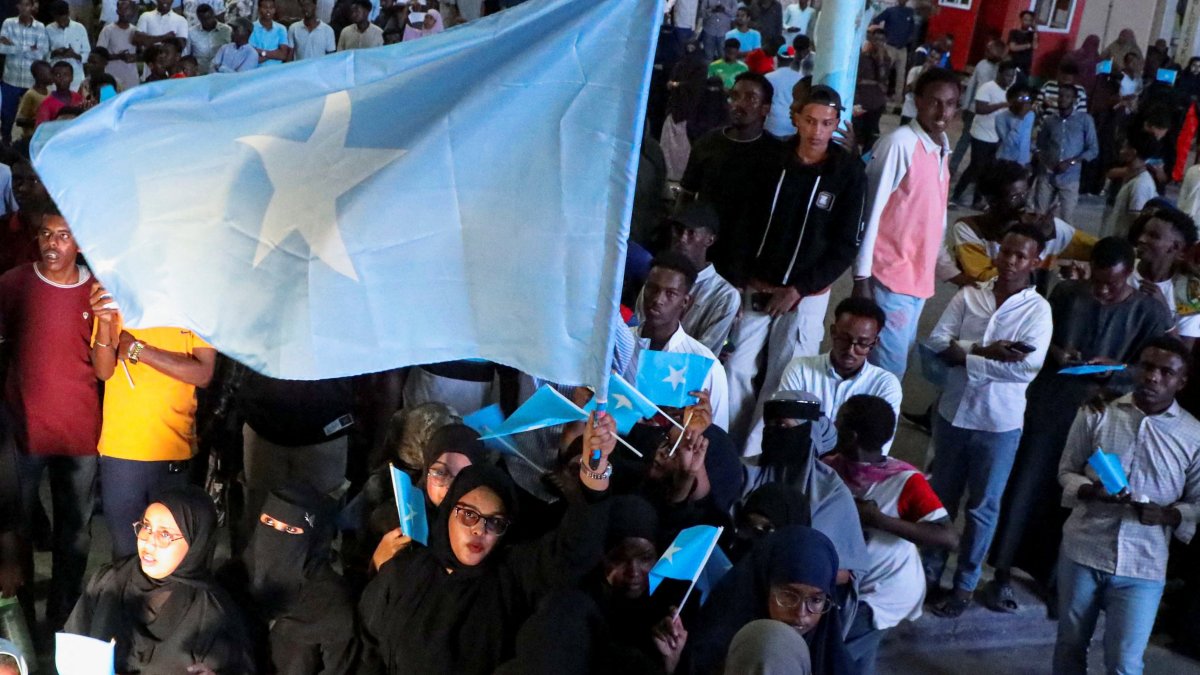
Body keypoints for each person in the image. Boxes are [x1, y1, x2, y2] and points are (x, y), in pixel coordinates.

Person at [985, 237, 1171, 614]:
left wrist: (1117, 370)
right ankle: (1002, 571)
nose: (1102, 291)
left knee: (1078, 496)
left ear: (1128, 275)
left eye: (1112, 285)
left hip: (1104, 413)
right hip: (1053, 403)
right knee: (1027, 486)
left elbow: (1152, 369)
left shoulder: (1149, 311)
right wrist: (1057, 352)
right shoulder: (1069, 294)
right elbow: (1038, 336)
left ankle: (1056, 580)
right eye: (1097, 282)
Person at [358, 416, 617, 674]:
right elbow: (366, 652)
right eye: (468, 515)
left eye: (494, 523)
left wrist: (594, 469)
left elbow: (575, 551)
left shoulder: (512, 577)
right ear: (449, 512)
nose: (479, 529)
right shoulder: (404, 573)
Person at [724, 84, 867, 450]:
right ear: (795, 119)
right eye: (810, 121)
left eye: (826, 123)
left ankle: (752, 458)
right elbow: (741, 222)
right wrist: (741, 279)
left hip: (806, 295)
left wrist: (799, 289)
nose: (817, 131)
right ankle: (724, 446)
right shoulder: (769, 160)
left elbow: (844, 246)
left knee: (784, 378)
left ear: (836, 124)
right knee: (736, 368)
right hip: (758, 286)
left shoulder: (848, 174)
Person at [922, 225, 1052, 618]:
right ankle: (928, 574)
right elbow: (935, 344)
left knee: (982, 508)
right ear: (996, 253)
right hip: (953, 415)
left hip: (999, 424)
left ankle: (964, 584)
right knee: (940, 500)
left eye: (1020, 256)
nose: (1011, 262)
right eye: (1006, 252)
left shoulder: (1038, 311)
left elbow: (1027, 369)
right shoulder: (969, 296)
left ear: (1035, 262)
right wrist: (986, 351)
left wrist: (967, 358)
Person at [1053, 337, 1200, 675]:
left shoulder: (1193, 436)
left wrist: (1168, 515)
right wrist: (1090, 491)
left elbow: (1197, 502)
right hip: (1084, 550)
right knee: (1070, 645)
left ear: (1182, 382)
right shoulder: (1098, 412)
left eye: (1167, 372)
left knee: (1124, 663)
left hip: (1144, 566)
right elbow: (1066, 470)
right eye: (1147, 367)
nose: (1153, 377)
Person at [0, 209, 99, 628]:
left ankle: (63, 623)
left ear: (80, 244)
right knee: (14, 530)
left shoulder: (98, 293)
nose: (52, 244)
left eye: (63, 236)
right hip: (23, 430)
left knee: (73, 536)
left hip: (79, 431)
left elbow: (105, 364)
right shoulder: (13, 284)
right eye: (45, 234)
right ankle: (18, 621)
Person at [825, 395, 957, 675]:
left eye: (838, 423)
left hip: (883, 590)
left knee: (833, 657)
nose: (832, 427)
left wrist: (878, 519)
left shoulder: (903, 480)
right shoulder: (831, 465)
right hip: (849, 584)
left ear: (851, 436)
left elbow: (948, 538)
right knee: (857, 663)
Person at [87, 280, 216, 560]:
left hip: (174, 449)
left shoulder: (197, 302)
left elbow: (203, 374)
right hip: (123, 451)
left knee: (170, 554)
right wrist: (106, 321)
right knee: (126, 554)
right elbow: (104, 370)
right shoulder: (117, 292)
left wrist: (138, 351)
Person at [65, 486, 256, 673]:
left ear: (195, 543)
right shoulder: (108, 581)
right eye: (146, 526)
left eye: (165, 534)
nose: (148, 540)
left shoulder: (213, 613)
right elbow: (73, 646)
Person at [853, 67, 959, 380]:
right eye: (935, 102)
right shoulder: (900, 143)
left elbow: (935, 221)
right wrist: (861, 279)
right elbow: (869, 212)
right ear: (916, 100)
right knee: (888, 371)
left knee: (889, 366)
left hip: (918, 280)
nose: (942, 111)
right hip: (888, 277)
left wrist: (947, 270)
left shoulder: (941, 149)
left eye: (951, 103)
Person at [741, 390, 871, 609]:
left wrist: (790, 570)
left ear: (809, 431)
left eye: (782, 426)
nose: (773, 433)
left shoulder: (831, 493)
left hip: (795, 605)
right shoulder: (748, 471)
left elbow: (846, 572)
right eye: (768, 426)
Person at [222, 485, 358, 674]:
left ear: (312, 538)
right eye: (269, 522)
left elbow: (339, 668)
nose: (276, 535)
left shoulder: (329, 601)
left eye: (291, 529)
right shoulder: (232, 578)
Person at [689, 526, 854, 674]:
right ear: (764, 586)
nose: (801, 614)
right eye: (789, 596)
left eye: (816, 600)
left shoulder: (833, 661)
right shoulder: (714, 643)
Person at [677, 71, 785, 285]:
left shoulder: (777, 154)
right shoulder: (708, 143)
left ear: (766, 108)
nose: (738, 104)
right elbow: (686, 196)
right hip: (704, 252)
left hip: (748, 258)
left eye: (750, 98)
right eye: (734, 96)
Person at [766, 298, 902, 456]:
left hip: (853, 473)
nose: (851, 350)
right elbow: (784, 430)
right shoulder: (800, 369)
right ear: (832, 331)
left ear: (875, 342)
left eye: (862, 343)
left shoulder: (885, 385)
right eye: (844, 339)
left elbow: (876, 449)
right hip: (799, 464)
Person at [623, 252, 729, 429]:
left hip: (670, 454)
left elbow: (717, 435)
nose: (658, 300)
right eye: (652, 289)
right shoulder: (618, 343)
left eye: (670, 293)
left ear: (686, 302)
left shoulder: (705, 364)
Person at [635, 202, 739, 355]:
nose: (682, 238)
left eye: (691, 233)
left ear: (709, 240)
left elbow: (704, 355)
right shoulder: (657, 277)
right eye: (678, 230)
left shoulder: (725, 295)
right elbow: (639, 331)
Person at [950, 60, 1016, 209]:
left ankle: (977, 200)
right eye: (1007, 75)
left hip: (996, 136)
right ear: (1000, 73)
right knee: (975, 167)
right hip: (980, 134)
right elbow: (980, 109)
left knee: (987, 169)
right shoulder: (987, 88)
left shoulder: (1009, 92)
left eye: (1012, 76)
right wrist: (1002, 104)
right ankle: (955, 196)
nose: (1010, 79)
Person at [1130, 209, 1200, 348]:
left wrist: (1164, 313)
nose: (1141, 239)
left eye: (1153, 236)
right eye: (1143, 232)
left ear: (1175, 247)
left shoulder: (1189, 292)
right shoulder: (1123, 270)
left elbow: (1182, 355)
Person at [1034, 84, 1099, 223]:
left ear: (1074, 100)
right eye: (1061, 96)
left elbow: (1093, 149)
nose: (1062, 99)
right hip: (1047, 174)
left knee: (1066, 219)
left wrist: (1071, 162)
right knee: (1039, 215)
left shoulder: (1085, 120)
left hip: (1070, 176)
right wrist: (1043, 161)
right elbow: (1040, 145)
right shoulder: (1050, 121)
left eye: (1067, 96)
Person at [949, 39, 1006, 177]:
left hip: (993, 112)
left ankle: (976, 172)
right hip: (975, 109)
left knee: (984, 144)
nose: (987, 52)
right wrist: (965, 105)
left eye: (990, 50)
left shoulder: (1002, 69)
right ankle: (952, 167)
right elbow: (972, 86)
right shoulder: (981, 64)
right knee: (965, 139)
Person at [0, 0, 49, 142]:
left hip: (31, 79)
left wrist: (14, 46)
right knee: (7, 115)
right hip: (11, 78)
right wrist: (29, 48)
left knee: (32, 115)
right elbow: (1, 48)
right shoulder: (8, 23)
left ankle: (29, 143)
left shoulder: (40, 27)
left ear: (32, 6)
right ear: (17, 6)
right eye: (22, 4)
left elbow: (41, 54)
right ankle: (5, 143)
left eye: (27, 4)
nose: (24, 8)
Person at [1101, 131, 1158, 239]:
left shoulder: (1140, 185)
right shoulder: (1135, 178)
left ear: (1133, 152)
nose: (1121, 151)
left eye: (1125, 147)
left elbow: (1136, 220)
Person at [868, 0, 914, 108]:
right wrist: (880, 38)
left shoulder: (909, 12)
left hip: (902, 48)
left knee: (901, 77)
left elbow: (912, 30)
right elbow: (876, 21)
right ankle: (880, 101)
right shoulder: (890, 11)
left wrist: (907, 41)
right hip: (889, 46)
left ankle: (897, 104)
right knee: (884, 74)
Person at [763, 34, 809, 137]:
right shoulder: (800, 78)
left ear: (777, 58)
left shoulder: (768, 77)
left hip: (772, 123)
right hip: (791, 124)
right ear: (793, 59)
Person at [853, 28, 891, 153]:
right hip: (861, 100)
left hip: (876, 102)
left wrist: (880, 59)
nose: (879, 43)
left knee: (871, 134)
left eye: (882, 40)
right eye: (876, 40)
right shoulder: (863, 58)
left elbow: (883, 77)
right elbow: (857, 80)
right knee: (856, 133)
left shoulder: (885, 59)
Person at [96, 0, 139, 91]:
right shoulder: (108, 30)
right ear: (117, 11)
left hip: (131, 78)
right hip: (112, 77)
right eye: (124, 9)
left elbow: (142, 53)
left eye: (129, 10)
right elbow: (99, 54)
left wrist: (134, 57)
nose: (127, 12)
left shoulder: (136, 31)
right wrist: (119, 56)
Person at [45, 1, 87, 92]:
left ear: (68, 14)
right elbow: (44, 54)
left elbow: (87, 53)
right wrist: (55, 53)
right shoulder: (48, 29)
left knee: (76, 104)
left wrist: (74, 55)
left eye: (63, 20)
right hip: (55, 77)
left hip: (76, 77)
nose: (61, 23)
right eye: (58, 20)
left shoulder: (80, 28)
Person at [993, 83, 1035, 168]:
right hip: (1006, 161)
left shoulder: (1030, 115)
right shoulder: (1001, 118)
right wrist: (1020, 119)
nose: (1024, 102)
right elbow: (1009, 143)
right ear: (1011, 100)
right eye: (1020, 98)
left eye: (1026, 98)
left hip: (1023, 161)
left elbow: (1026, 138)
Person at [33, 61, 81, 127]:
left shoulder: (78, 97)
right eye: (58, 75)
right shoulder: (46, 104)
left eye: (66, 75)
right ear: (53, 78)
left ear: (72, 78)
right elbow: (42, 128)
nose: (62, 78)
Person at [12, 61, 50, 141]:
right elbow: (19, 120)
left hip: (44, 137)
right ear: (40, 75)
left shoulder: (50, 93)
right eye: (50, 73)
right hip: (31, 138)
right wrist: (38, 122)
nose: (53, 76)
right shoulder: (30, 94)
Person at [189, 4, 231, 75]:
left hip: (221, 73)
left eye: (209, 18)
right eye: (204, 20)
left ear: (213, 14)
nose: (207, 21)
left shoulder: (227, 30)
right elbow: (188, 55)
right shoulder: (191, 33)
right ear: (199, 19)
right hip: (200, 74)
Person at [250, 0, 291, 65]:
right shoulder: (251, 27)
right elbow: (252, 58)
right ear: (259, 9)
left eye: (271, 8)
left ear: (274, 10)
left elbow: (283, 55)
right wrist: (276, 54)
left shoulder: (281, 29)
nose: (268, 11)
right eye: (265, 7)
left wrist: (262, 53)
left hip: (276, 72)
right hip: (256, 72)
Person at [1006, 9, 1037, 77]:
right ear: (1021, 20)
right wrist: (1027, 46)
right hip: (1013, 64)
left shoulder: (1032, 34)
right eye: (1025, 19)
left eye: (1030, 20)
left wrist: (1035, 29)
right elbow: (1012, 47)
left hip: (1025, 66)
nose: (1027, 22)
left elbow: (1035, 46)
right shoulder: (1014, 32)